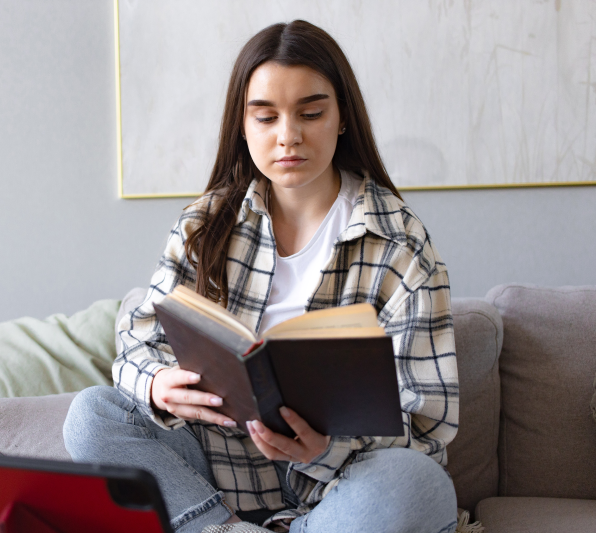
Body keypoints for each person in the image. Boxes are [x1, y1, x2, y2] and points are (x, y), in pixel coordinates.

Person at [64, 20, 458, 533]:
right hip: (217, 477)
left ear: (342, 119)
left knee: (418, 484)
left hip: (341, 487)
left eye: (311, 113)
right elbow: (137, 343)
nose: (288, 136)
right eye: (266, 117)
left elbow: (430, 424)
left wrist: (326, 448)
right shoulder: (205, 224)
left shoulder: (399, 243)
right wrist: (159, 383)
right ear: (243, 126)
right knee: (93, 414)